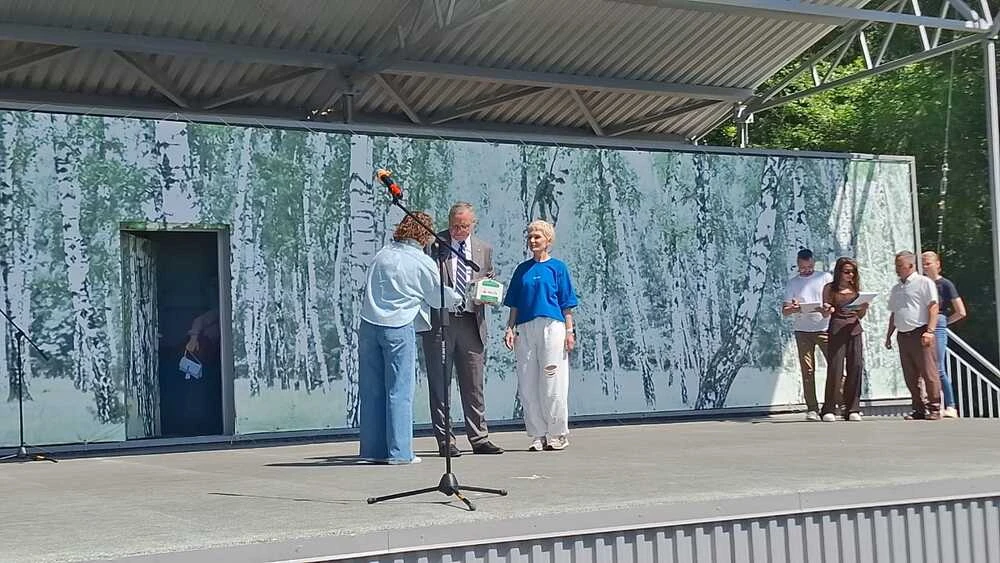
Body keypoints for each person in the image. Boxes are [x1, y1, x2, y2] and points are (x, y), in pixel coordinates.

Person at [358, 211, 463, 464]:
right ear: (425, 234)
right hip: (398, 326)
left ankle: (372, 451)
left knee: (372, 390)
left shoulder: (382, 254)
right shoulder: (421, 261)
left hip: (369, 324)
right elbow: (436, 297)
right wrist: (459, 297)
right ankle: (400, 453)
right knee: (399, 390)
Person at [421, 202, 504, 457]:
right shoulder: (434, 245)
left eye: (464, 226)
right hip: (441, 322)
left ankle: (479, 438)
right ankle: (446, 440)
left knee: (474, 384)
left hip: (471, 321)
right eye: (455, 226)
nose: (458, 231)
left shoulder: (483, 249)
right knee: (440, 384)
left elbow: (490, 277)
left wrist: (487, 292)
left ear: (473, 225)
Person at [502, 220, 578, 451]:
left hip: (552, 327)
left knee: (552, 381)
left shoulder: (558, 268)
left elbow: (566, 304)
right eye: (530, 237)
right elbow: (514, 304)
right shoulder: (522, 270)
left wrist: (569, 331)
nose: (533, 241)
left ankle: (557, 433)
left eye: (537, 237)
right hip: (525, 328)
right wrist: (510, 328)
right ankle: (538, 434)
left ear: (548, 240)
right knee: (527, 383)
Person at [885, 251, 942, 421]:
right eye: (896, 266)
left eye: (900, 266)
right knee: (910, 375)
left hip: (920, 332)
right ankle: (918, 408)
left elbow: (933, 307)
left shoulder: (924, 283)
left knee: (928, 372)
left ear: (910, 266)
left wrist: (930, 331)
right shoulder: (897, 288)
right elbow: (894, 313)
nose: (897, 269)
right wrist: (889, 335)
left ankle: (934, 407)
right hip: (903, 334)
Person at [781, 248, 833, 421]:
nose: (806, 270)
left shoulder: (825, 277)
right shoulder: (793, 283)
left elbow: (833, 302)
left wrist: (827, 309)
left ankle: (837, 403)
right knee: (807, 370)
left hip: (824, 328)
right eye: (803, 268)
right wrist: (794, 308)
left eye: (809, 267)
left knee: (835, 366)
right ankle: (812, 408)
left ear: (813, 262)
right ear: (798, 265)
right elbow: (785, 310)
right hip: (802, 330)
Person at [819, 257, 869, 422]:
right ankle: (829, 408)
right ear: (839, 272)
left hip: (854, 329)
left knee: (856, 366)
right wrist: (827, 309)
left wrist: (864, 307)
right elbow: (825, 311)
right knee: (835, 369)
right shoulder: (830, 288)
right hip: (837, 329)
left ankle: (852, 408)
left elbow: (860, 315)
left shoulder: (856, 289)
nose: (850, 275)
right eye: (847, 272)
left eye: (853, 272)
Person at [921, 251, 966, 419]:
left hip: (938, 323)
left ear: (937, 264)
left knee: (938, 366)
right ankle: (932, 405)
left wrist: (945, 321)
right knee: (924, 368)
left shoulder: (945, 284)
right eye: (923, 264)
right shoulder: (922, 283)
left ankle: (950, 405)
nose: (925, 267)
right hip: (923, 324)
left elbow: (961, 311)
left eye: (928, 263)